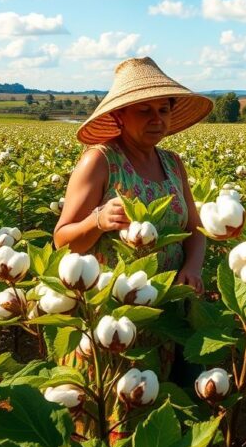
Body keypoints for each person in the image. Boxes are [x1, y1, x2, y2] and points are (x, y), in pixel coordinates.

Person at [53, 56, 212, 294]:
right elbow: (62, 242)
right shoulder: (99, 161)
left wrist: (192, 269)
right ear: (120, 116)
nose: (156, 119)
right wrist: (98, 220)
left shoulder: (173, 163)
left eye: (163, 110)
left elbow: (194, 231)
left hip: (170, 298)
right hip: (114, 306)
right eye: (144, 110)